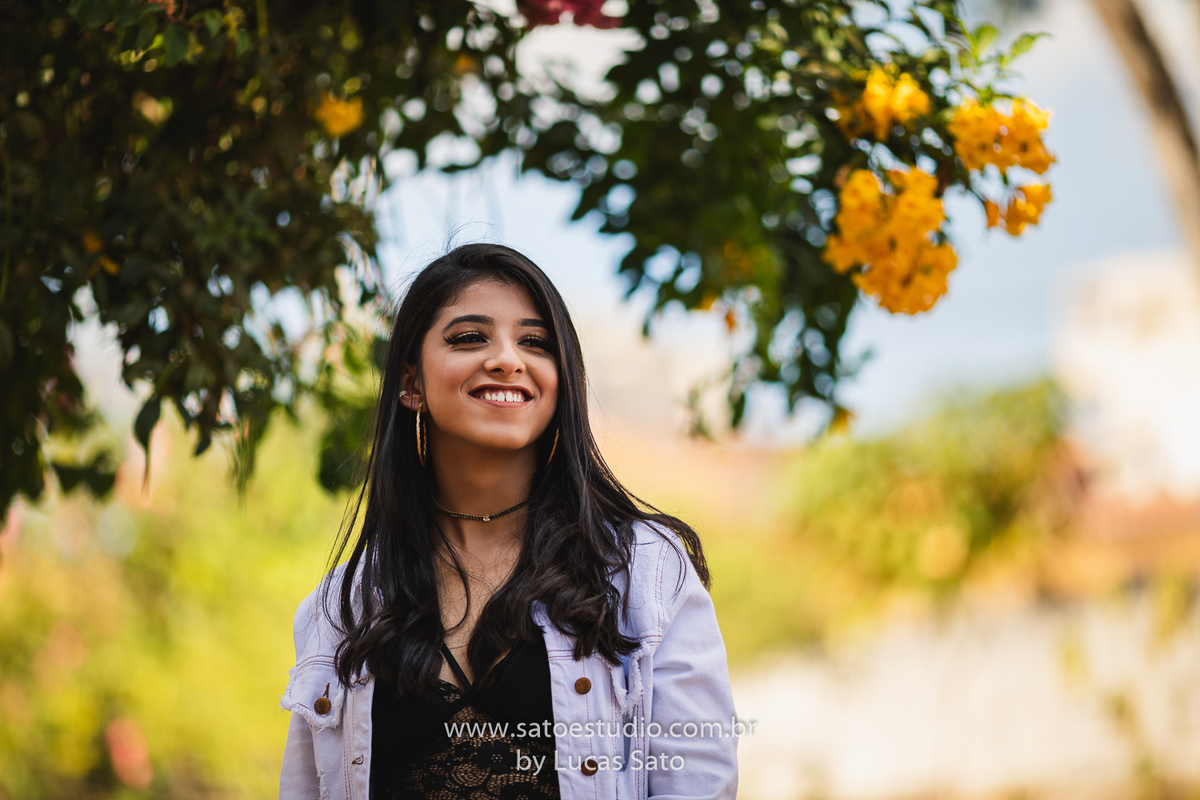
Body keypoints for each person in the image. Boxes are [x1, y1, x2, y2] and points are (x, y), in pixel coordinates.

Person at [278, 243, 739, 800]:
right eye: (469, 337)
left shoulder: (645, 573)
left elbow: (699, 786)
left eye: (535, 342)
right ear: (411, 383)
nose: (506, 359)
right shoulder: (341, 608)